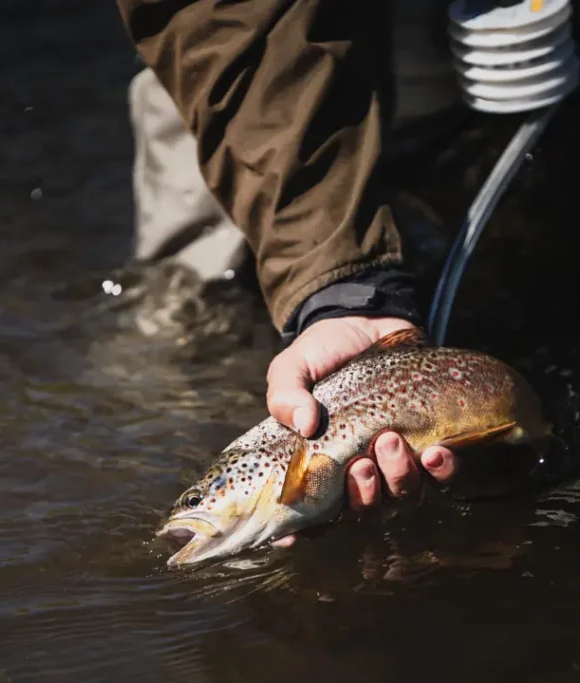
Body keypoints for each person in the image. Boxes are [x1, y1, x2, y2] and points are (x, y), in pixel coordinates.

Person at [116, 0, 463, 540]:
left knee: (448, 115)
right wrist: (341, 286)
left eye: (197, 498)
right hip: (233, 38)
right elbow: (231, 27)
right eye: (197, 497)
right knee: (190, 312)